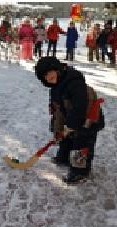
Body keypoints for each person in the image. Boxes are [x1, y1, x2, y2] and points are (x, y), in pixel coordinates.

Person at [34, 56, 105, 184]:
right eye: (46, 78)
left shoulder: (74, 83)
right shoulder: (55, 89)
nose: (50, 78)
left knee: (81, 144)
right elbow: (57, 110)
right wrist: (58, 130)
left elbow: (80, 107)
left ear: (57, 69)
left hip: (88, 119)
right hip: (71, 117)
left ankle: (80, 172)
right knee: (65, 138)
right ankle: (64, 158)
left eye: (51, 74)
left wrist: (71, 125)